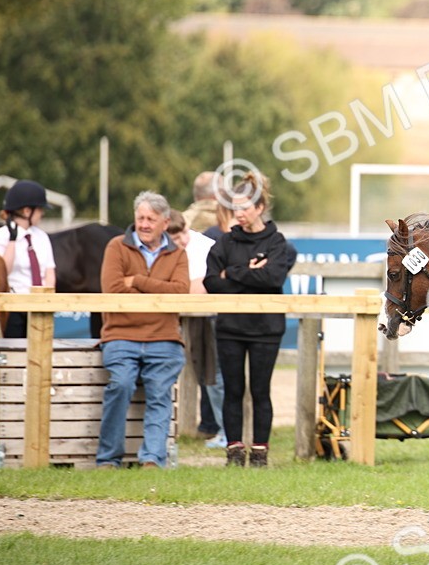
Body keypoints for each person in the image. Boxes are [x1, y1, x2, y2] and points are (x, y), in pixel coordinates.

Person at [204, 172, 296, 467]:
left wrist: (232, 272)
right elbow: (211, 283)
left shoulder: (276, 241)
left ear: (259, 208)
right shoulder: (225, 243)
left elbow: (273, 277)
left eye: (244, 208)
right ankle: (234, 451)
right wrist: (248, 270)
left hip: (266, 328)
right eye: (235, 208)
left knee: (260, 391)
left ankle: (259, 453)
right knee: (233, 390)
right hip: (230, 327)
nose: (238, 214)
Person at [95, 192, 189, 469]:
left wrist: (137, 280)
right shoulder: (116, 247)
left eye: (151, 219)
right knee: (120, 384)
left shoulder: (178, 254)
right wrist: (159, 287)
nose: (144, 224)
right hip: (121, 334)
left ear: (165, 222)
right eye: (140, 218)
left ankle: (152, 459)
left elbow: (181, 292)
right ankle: (108, 458)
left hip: (165, 338)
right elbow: (112, 289)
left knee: (160, 392)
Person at [167, 211, 226, 448]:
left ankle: (226, 431)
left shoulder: (203, 246)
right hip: (189, 317)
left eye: (182, 234)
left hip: (208, 316)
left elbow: (199, 288)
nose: (181, 240)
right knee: (205, 375)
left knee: (214, 376)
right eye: (175, 237)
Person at [0, 180, 57, 338]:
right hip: (13, 306)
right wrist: (12, 241)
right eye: (40, 210)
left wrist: (46, 299)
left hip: (39, 305)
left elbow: (49, 272)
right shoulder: (0, 237)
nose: (42, 213)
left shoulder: (42, 237)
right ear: (27, 211)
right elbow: (3, 273)